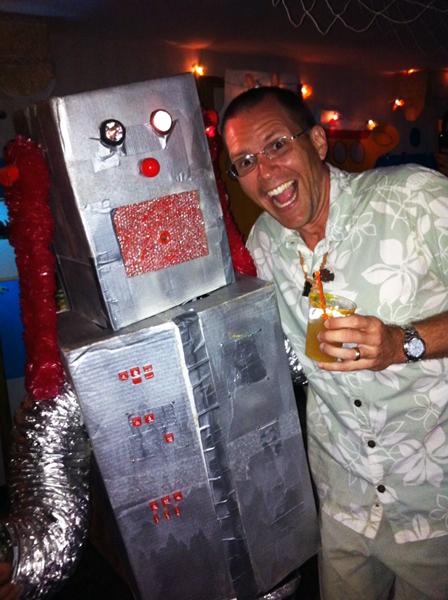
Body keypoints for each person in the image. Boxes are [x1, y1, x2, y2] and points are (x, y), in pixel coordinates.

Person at [222, 85, 448, 600]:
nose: (266, 172)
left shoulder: (414, 197)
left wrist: (403, 343)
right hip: (344, 506)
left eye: (277, 145)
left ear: (318, 142)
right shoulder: (262, 245)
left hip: (436, 504)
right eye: (246, 162)